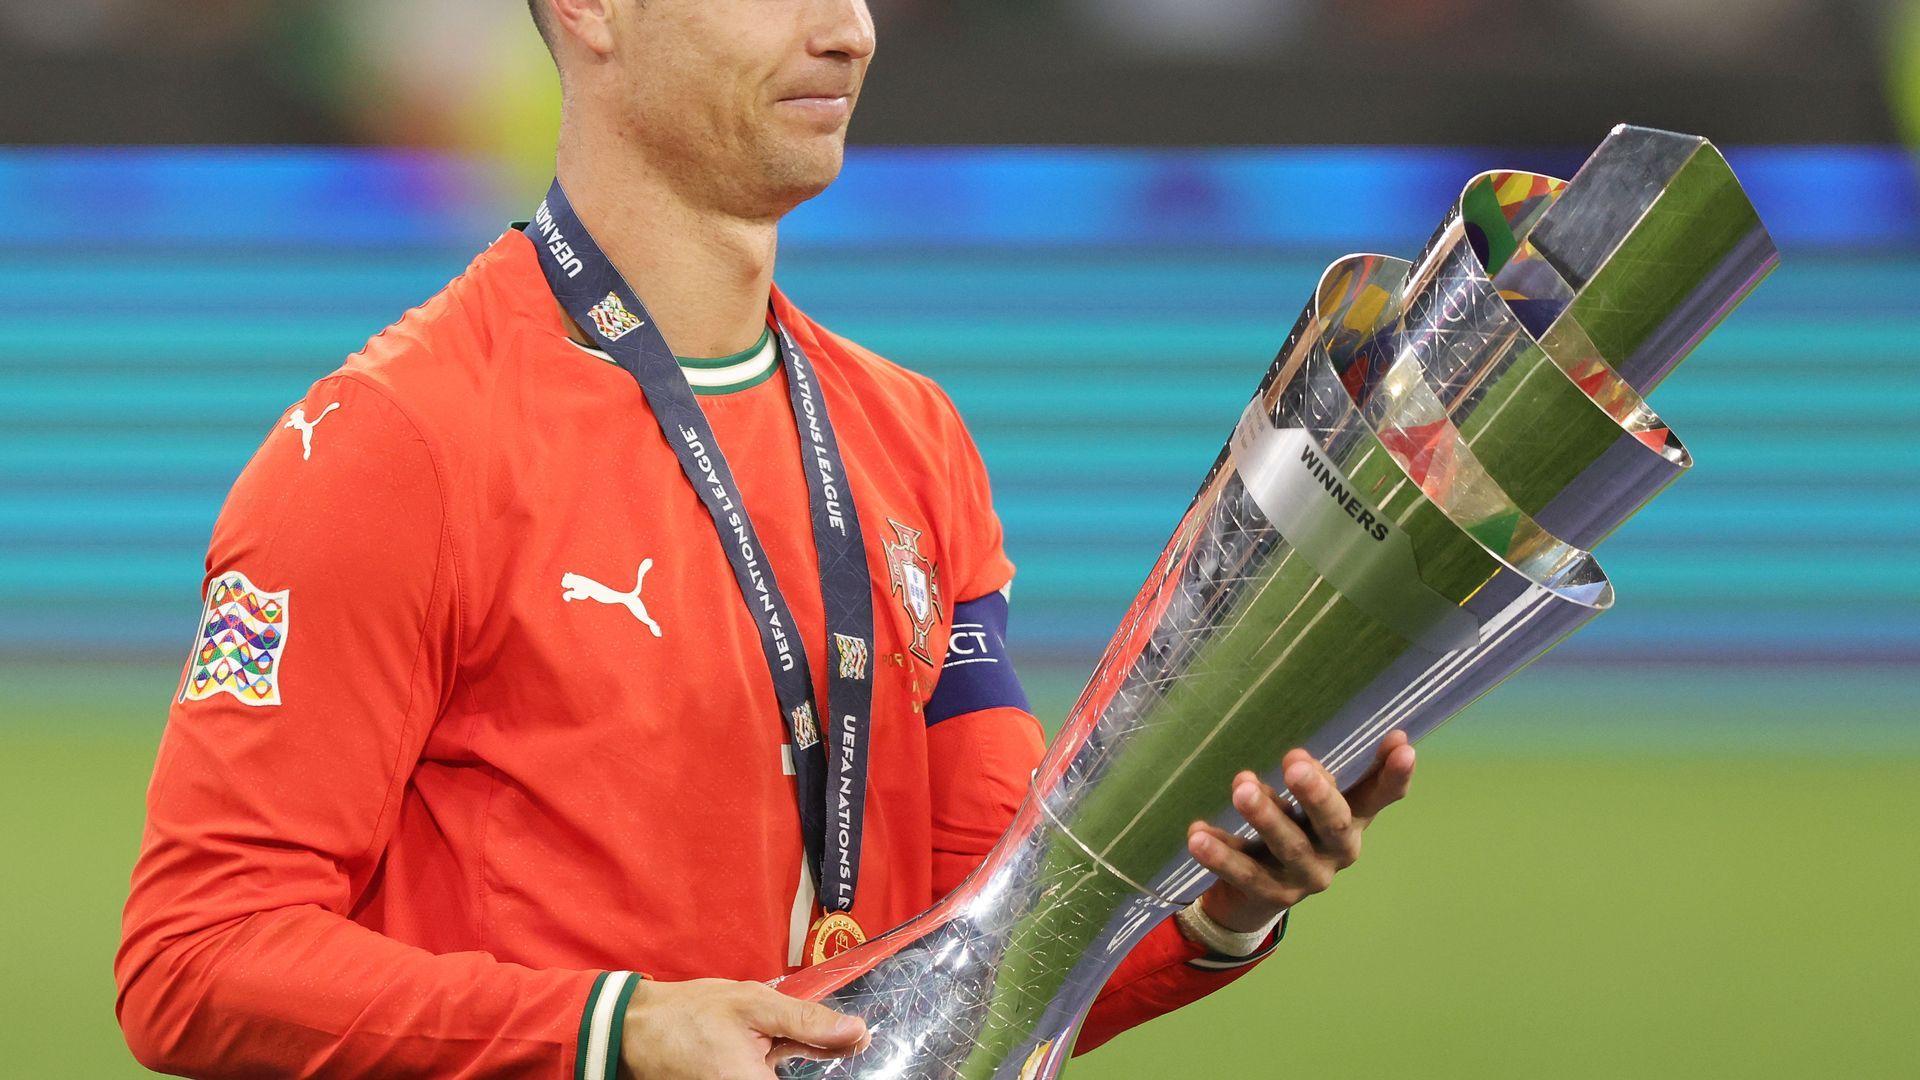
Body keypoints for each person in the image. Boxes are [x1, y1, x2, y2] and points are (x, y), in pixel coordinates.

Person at [115, 1, 1417, 1077]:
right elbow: (193, 958)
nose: (847, 30)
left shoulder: (915, 439)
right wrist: (613, 1029)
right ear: (592, 12)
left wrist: (1222, 903)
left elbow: (993, 936)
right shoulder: (395, 441)